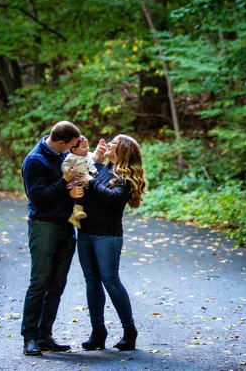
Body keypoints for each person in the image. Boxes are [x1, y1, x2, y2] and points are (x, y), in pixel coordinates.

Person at [76, 134, 148, 352]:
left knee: (110, 280)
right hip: (85, 233)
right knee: (92, 281)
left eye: (114, 143)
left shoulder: (125, 177)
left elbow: (114, 199)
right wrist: (90, 173)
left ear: (123, 150)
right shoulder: (99, 168)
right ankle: (98, 331)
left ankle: (129, 331)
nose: (108, 144)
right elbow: (84, 182)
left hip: (108, 235)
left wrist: (91, 182)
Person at [20, 120, 85, 357]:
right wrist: (64, 182)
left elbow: (63, 190)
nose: (71, 149)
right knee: (39, 283)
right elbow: (38, 198)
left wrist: (75, 187)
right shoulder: (35, 161)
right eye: (69, 145)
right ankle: (29, 337)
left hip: (66, 225)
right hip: (44, 226)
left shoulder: (62, 156)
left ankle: (45, 334)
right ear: (59, 141)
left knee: (57, 285)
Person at [62, 136, 97, 228]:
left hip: (89, 178)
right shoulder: (71, 157)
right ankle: (76, 212)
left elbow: (96, 156)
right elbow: (64, 165)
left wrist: (100, 149)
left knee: (88, 194)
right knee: (80, 193)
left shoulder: (88, 154)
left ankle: (76, 216)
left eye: (88, 145)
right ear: (74, 150)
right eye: (84, 147)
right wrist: (68, 170)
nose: (87, 148)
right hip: (78, 180)